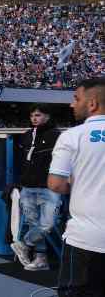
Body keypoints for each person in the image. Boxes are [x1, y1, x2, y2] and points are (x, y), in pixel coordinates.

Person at [48, 78, 105, 297]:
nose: (72, 104)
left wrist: (80, 180)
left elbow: (56, 184)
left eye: (76, 99)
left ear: (92, 104)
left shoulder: (72, 136)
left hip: (85, 240)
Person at [10, 104, 62, 271]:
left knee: (47, 225)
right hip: (28, 187)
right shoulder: (26, 135)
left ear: (47, 117)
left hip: (48, 187)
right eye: (32, 115)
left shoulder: (56, 136)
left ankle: (23, 244)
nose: (34, 118)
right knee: (34, 225)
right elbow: (21, 160)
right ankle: (41, 259)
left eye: (38, 115)